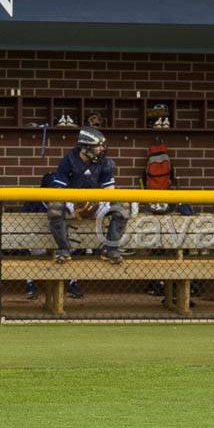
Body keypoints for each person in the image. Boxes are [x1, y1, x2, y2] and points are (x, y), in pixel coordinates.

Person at [49, 127, 127, 299]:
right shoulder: (68, 160)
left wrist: (94, 203)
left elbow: (110, 191)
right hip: (72, 204)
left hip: (95, 203)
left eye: (101, 146)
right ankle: (64, 250)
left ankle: (110, 250)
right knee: (54, 207)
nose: (101, 149)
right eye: (97, 146)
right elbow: (58, 191)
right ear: (85, 147)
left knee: (121, 208)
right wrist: (76, 204)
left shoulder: (105, 163)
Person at [21, 172, 54, 301]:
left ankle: (72, 283)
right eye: (51, 187)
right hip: (35, 241)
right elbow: (22, 224)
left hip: (55, 240)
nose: (54, 191)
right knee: (29, 244)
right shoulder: (34, 200)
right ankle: (30, 283)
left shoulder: (63, 200)